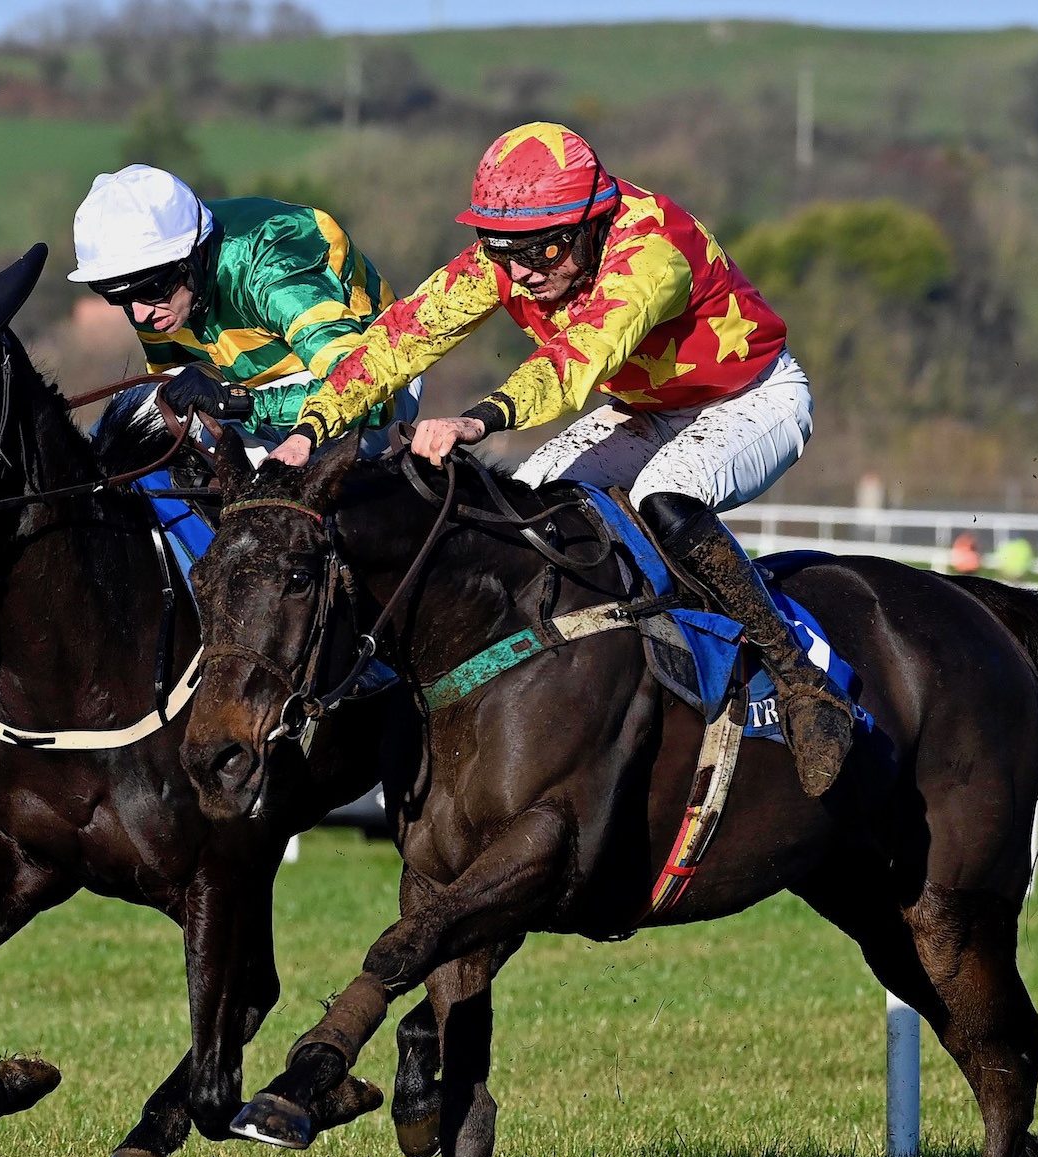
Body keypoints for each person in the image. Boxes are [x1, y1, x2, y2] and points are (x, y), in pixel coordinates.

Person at [269, 122, 850, 797]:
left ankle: (799, 680)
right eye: (501, 249)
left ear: (592, 222)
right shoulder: (518, 251)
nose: (521, 272)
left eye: (542, 249)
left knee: (667, 496)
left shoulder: (652, 250)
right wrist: (310, 429)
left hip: (753, 397)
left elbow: (577, 361)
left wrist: (476, 417)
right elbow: (401, 338)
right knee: (534, 507)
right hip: (651, 406)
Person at [70, 165, 416, 457]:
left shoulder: (272, 268)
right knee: (123, 420)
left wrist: (236, 403)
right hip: (251, 388)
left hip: (375, 380)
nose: (140, 314)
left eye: (149, 290)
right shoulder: (155, 293)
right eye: (117, 297)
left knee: (246, 459)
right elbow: (175, 380)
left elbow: (367, 397)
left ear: (191, 258)